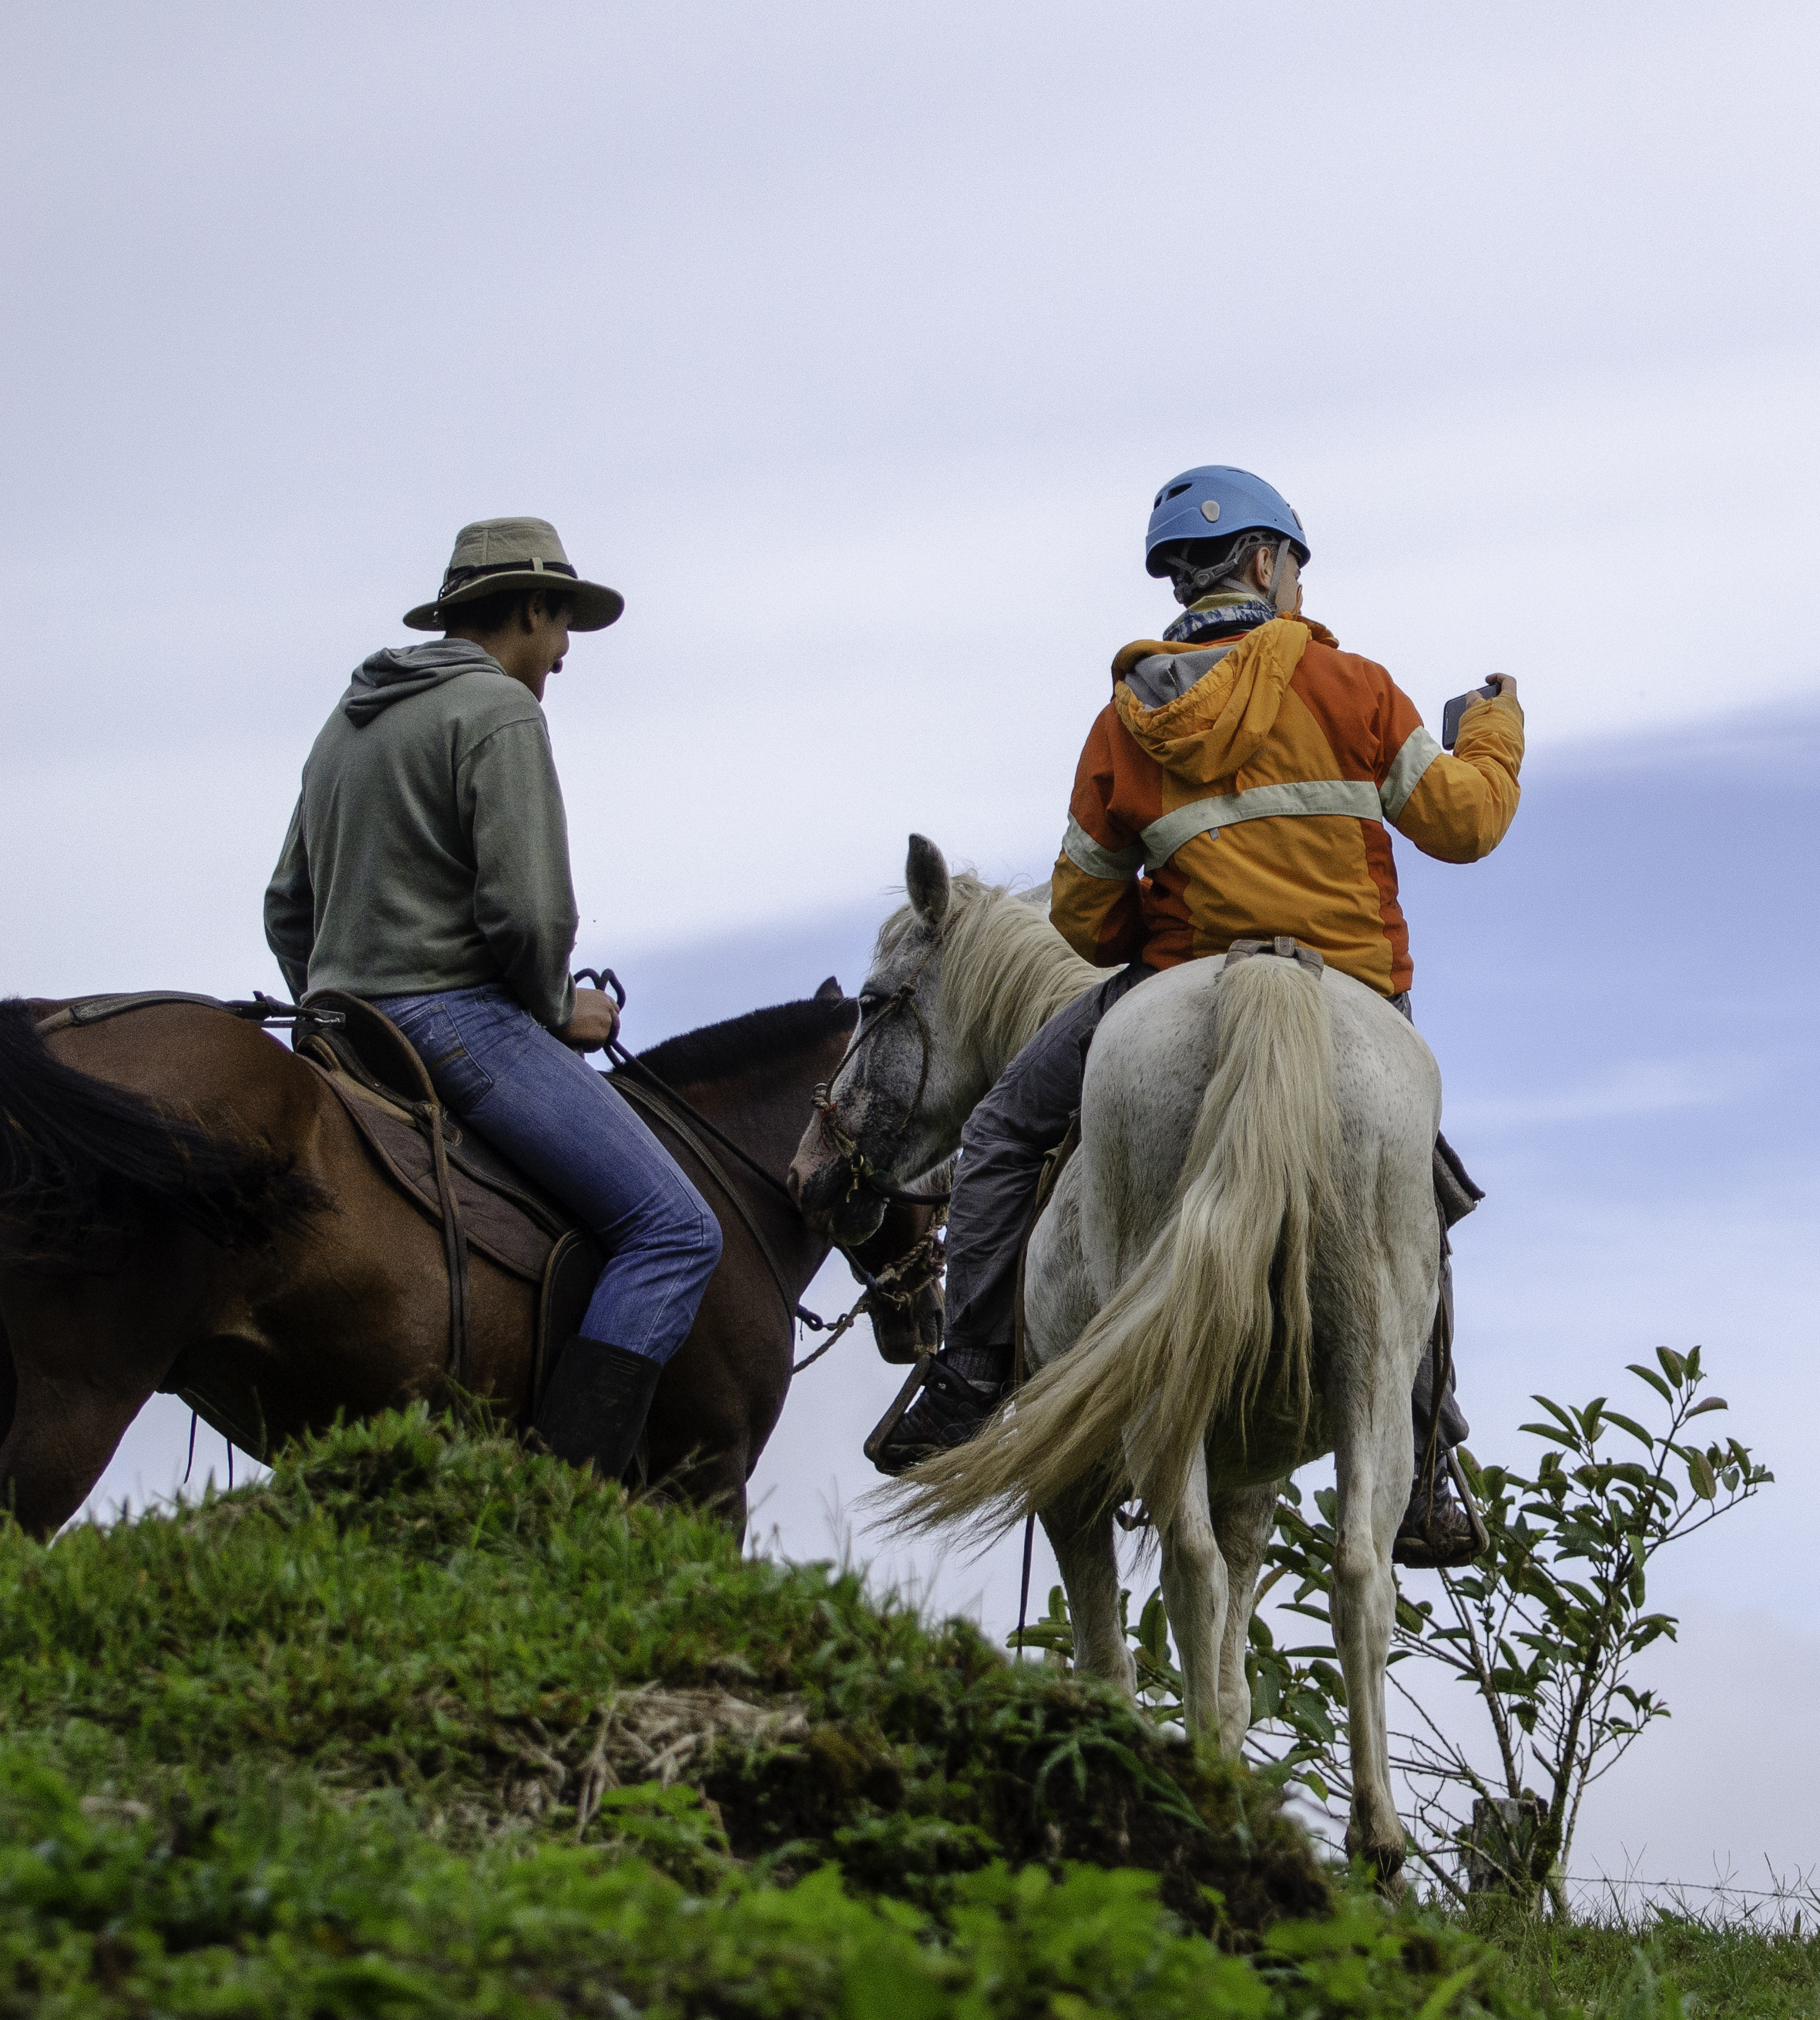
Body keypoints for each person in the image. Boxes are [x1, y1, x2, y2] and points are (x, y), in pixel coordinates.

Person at [871, 467, 1524, 1558]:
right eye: (1295, 566)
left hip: (1180, 973)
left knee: (999, 1136)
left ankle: (970, 1377)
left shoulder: (1125, 721)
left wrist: (1175, 934)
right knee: (1416, 1194)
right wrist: (1493, 729)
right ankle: (1425, 1464)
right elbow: (1466, 825)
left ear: (1185, 579)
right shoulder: (1358, 689)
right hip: (1354, 984)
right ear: (1266, 563)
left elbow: (1083, 917)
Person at [264, 517, 721, 1480]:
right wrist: (557, 1007)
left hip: (339, 1032)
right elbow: (528, 914)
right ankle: (564, 1499)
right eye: (562, 627)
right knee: (676, 1231)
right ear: (530, 607)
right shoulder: (500, 711)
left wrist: (331, 1010)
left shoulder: (349, 721)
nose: (563, 655)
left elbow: (286, 906)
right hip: (455, 1025)